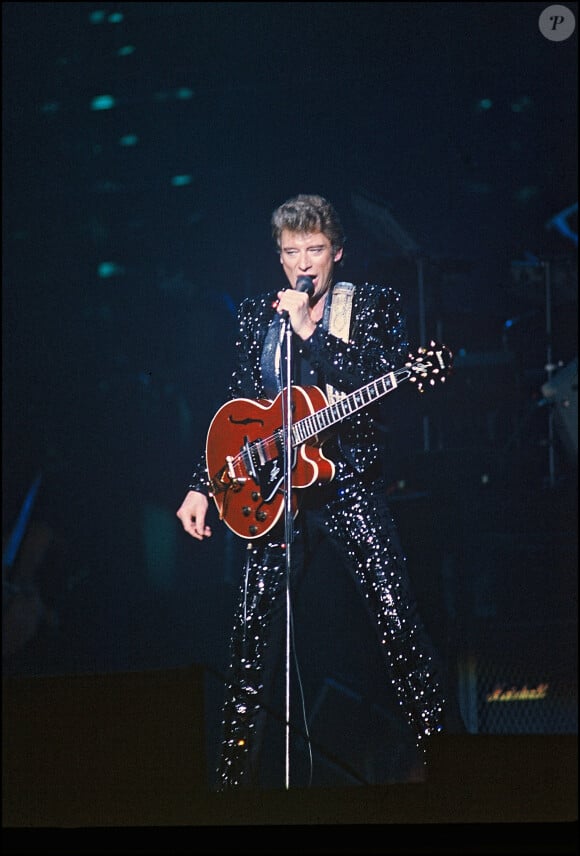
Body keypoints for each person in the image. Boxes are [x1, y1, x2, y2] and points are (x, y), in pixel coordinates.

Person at [176, 193, 461, 790]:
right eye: (291, 253)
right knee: (250, 640)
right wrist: (204, 484)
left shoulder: (372, 305)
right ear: (278, 257)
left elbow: (385, 385)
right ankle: (228, 790)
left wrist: (313, 333)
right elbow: (236, 404)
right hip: (276, 494)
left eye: (315, 250)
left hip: (348, 487)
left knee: (398, 625)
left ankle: (455, 772)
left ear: (337, 252)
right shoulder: (259, 314)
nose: (303, 264)